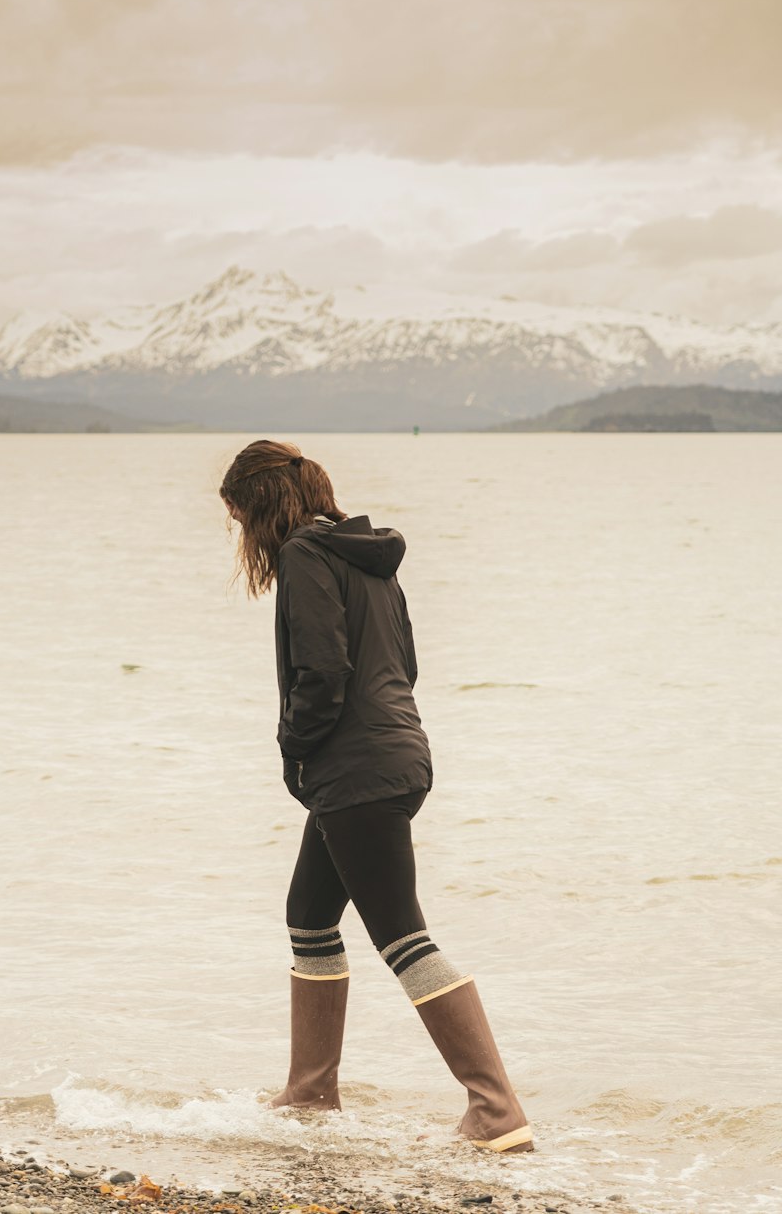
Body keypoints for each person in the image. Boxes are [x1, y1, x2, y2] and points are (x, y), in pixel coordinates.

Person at [219, 438, 534, 1154]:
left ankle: (495, 1109)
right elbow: (407, 664)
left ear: (260, 506)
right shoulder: (370, 558)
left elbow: (323, 674)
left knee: (402, 935)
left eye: (238, 519)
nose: (241, 536)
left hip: (356, 770)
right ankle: (310, 1092)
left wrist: (295, 745)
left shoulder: (304, 554)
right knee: (309, 914)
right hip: (399, 755)